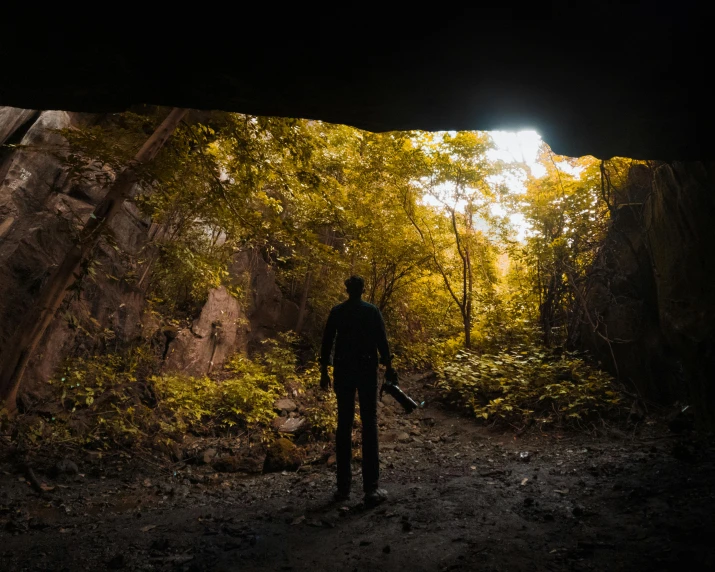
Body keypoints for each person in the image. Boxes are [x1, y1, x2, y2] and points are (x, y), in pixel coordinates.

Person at [320, 275, 394, 505]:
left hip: (343, 370)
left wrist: (324, 371)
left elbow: (327, 341)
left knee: (344, 424)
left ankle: (343, 489)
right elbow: (382, 341)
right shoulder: (371, 311)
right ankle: (371, 488)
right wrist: (389, 367)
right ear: (362, 289)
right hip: (366, 369)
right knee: (369, 423)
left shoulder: (338, 311)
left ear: (346, 289)